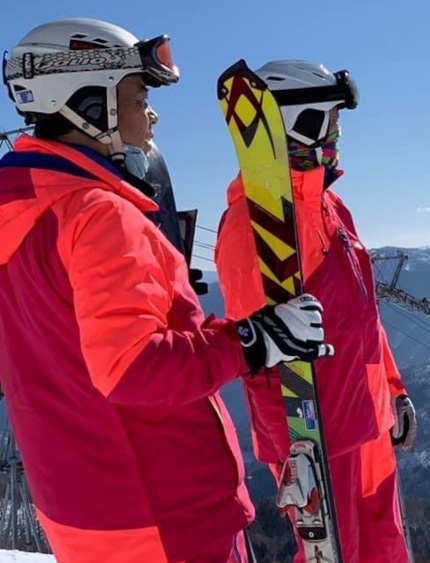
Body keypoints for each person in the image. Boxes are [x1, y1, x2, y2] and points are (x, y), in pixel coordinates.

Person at [0, 19, 331, 563]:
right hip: (164, 511)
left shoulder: (26, 212)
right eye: (138, 95)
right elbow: (134, 368)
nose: (151, 114)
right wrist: (253, 341)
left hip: (83, 506)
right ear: (89, 104)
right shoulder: (97, 215)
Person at [215, 60, 418, 563]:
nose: (336, 134)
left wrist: (393, 391)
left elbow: (363, 317)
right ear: (297, 121)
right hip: (318, 430)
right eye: (329, 120)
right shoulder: (250, 225)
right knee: (335, 552)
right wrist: (296, 449)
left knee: (384, 546)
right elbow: (258, 353)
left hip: (366, 417)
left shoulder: (332, 207)